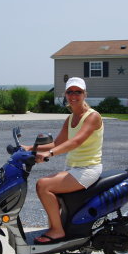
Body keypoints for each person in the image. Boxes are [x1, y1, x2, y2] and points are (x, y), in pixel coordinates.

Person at [25, 77, 104, 244]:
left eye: (78, 92)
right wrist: (30, 149)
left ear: (85, 94)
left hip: (88, 170)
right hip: (74, 169)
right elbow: (58, 143)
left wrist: (49, 154)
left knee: (43, 185)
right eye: (70, 92)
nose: (74, 95)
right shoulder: (70, 119)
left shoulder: (92, 116)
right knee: (48, 187)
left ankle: (57, 230)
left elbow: (75, 142)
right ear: (65, 95)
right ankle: (57, 227)